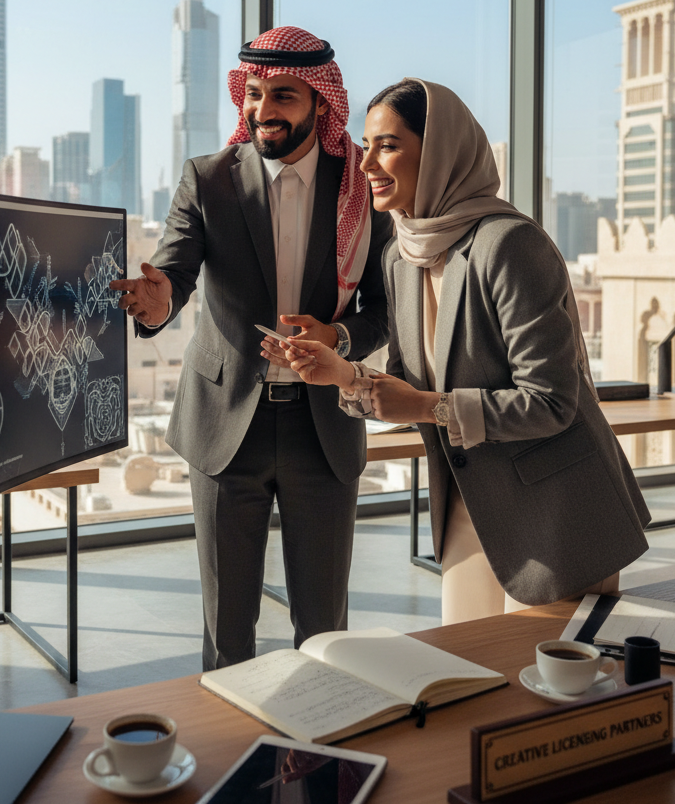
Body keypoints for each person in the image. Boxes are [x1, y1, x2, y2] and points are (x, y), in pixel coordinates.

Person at [271, 78, 650, 625]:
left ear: (440, 151)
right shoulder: (401, 258)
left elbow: (549, 402)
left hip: (557, 516)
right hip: (467, 509)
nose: (366, 163)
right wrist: (341, 376)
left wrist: (429, 408)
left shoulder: (508, 245)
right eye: (365, 145)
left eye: (388, 145)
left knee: (550, 697)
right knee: (472, 685)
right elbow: (405, 385)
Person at [110, 26, 392, 669]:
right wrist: (156, 305)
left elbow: (383, 309)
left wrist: (338, 337)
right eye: (255, 93)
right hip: (223, 424)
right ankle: (232, 758)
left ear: (321, 102)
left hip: (321, 427)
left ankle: (322, 747)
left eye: (284, 96)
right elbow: (174, 275)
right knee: (227, 631)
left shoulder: (360, 191)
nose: (263, 110)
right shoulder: (207, 180)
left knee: (326, 632)